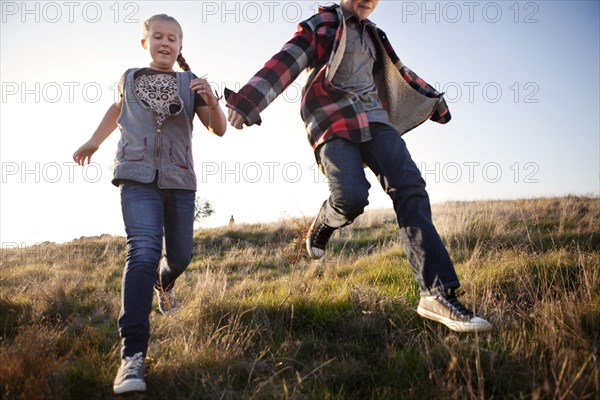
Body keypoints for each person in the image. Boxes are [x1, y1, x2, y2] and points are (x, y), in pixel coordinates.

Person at [226, 0, 491, 333]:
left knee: (410, 187)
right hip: (331, 117)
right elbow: (285, 62)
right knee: (350, 197)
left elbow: (400, 73)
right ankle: (326, 220)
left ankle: (436, 293)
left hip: (376, 120)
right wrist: (248, 101)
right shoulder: (321, 24)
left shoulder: (374, 35)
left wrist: (431, 98)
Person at [73, 14, 227, 395]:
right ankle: (132, 356)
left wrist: (210, 98)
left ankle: (165, 281)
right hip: (136, 175)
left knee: (181, 257)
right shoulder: (130, 77)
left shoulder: (189, 84)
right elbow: (117, 110)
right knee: (141, 252)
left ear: (179, 46)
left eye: (173, 38)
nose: (165, 42)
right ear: (145, 43)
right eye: (157, 36)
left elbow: (218, 128)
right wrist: (94, 141)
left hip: (179, 180)